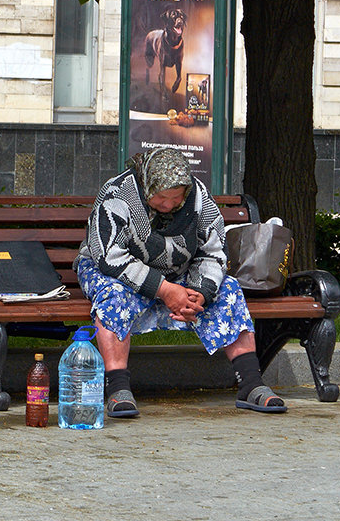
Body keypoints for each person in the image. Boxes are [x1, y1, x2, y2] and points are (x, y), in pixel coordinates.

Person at [75, 147, 286, 417]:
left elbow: (213, 251)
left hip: (177, 274)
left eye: (175, 198)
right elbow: (109, 256)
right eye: (161, 197)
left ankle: (251, 384)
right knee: (113, 295)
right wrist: (164, 290)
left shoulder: (198, 198)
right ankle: (117, 388)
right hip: (115, 271)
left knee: (228, 290)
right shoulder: (118, 194)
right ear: (147, 185)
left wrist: (200, 292)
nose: (168, 205)